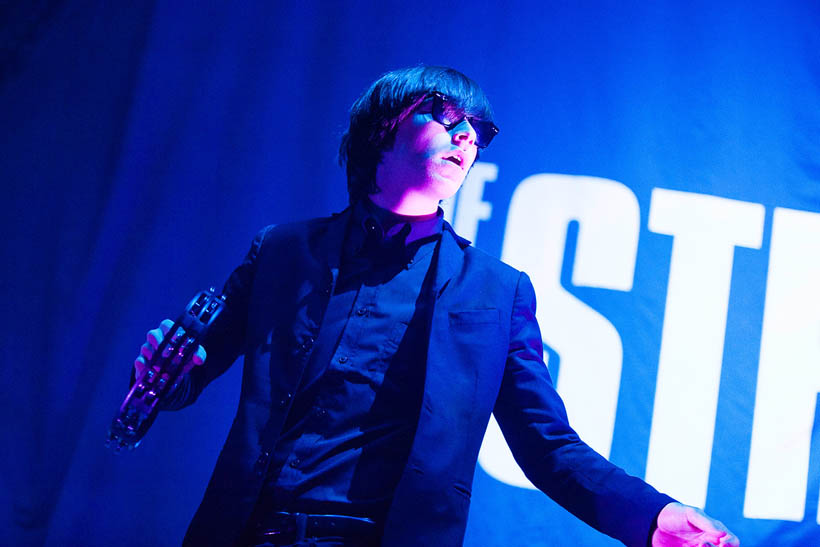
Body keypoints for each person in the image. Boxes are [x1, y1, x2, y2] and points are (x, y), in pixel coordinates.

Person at [135, 66, 739, 547]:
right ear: (383, 129)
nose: (468, 137)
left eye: (478, 129)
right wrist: (163, 378)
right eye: (449, 117)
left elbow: (547, 445)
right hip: (245, 531)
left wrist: (653, 517)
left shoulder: (496, 291)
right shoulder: (282, 251)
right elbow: (191, 368)